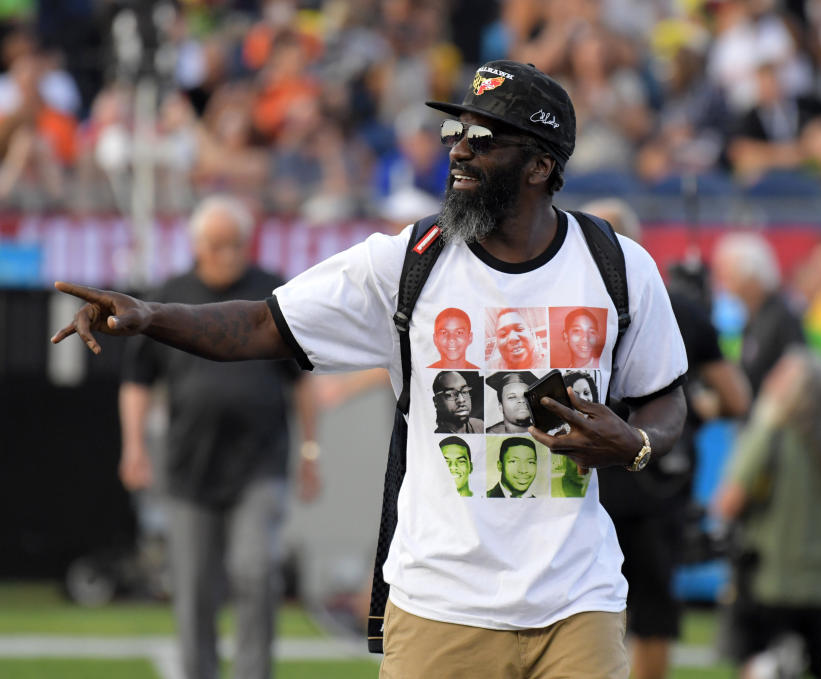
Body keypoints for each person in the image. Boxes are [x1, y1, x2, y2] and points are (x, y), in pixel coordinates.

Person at [51, 60, 688, 678]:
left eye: (481, 138)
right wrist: (150, 315)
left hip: (577, 603)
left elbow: (664, 399)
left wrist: (634, 444)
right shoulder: (405, 264)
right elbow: (260, 325)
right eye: (453, 133)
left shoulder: (617, 265)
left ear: (541, 165)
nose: (458, 151)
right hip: (440, 604)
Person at [116, 195, 321, 679]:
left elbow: (303, 382)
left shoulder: (272, 294)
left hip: (260, 460)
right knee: (192, 586)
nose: (227, 254)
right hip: (189, 464)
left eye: (235, 244)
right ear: (197, 245)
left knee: (256, 570)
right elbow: (138, 381)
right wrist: (134, 446)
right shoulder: (168, 295)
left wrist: (311, 451)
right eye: (217, 244)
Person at [584, 196, 751, 679]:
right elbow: (734, 398)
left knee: (590, 611)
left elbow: (734, 399)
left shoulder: (568, 304)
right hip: (654, 480)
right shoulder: (680, 307)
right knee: (651, 617)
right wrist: (696, 404)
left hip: (595, 482)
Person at [714, 349, 821, 679]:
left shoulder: (772, 431)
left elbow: (728, 502)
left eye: (779, 376)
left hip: (773, 582)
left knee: (764, 665)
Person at [712, 231, 805, 396]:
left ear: (750, 275)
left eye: (728, 271)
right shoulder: (751, 316)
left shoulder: (781, 318)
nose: (722, 280)